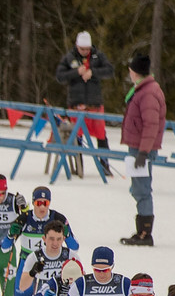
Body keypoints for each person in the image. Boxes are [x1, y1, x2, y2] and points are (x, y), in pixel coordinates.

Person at [119, 54, 165, 246]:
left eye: (130, 70)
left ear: (135, 71)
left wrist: (143, 152)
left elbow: (151, 125)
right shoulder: (144, 89)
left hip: (142, 150)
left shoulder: (147, 92)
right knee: (138, 188)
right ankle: (142, 230)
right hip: (139, 148)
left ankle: (145, 233)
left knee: (142, 189)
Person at [55, 31, 116, 173]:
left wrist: (93, 72)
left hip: (94, 104)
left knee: (101, 135)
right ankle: (79, 167)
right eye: (82, 49)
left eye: (87, 49)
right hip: (77, 105)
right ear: (77, 46)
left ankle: (105, 166)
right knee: (78, 136)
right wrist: (76, 72)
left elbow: (110, 70)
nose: (85, 52)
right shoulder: (69, 58)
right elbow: (60, 76)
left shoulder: (98, 56)